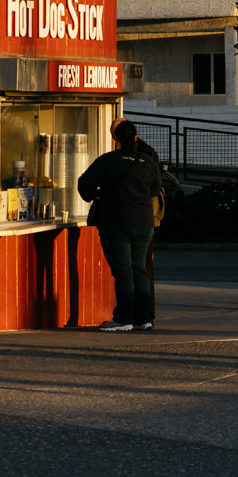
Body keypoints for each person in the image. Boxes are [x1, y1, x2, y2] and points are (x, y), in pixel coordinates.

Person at [78, 118, 166, 332]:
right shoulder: (146, 162)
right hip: (144, 223)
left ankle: (123, 318)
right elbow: (156, 189)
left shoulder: (107, 160)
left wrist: (98, 195)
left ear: (115, 139)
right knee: (139, 270)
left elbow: (84, 185)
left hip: (116, 223)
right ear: (135, 138)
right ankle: (143, 318)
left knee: (123, 271)